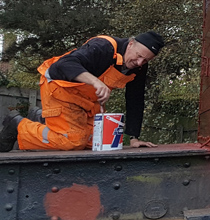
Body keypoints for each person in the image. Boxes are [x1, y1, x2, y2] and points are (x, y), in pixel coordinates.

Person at [0, 32, 165, 151]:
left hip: (85, 100)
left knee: (98, 141)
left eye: (145, 60)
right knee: (73, 142)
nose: (140, 62)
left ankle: (42, 118)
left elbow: (135, 99)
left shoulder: (139, 67)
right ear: (130, 44)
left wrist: (134, 138)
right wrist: (95, 81)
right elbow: (64, 64)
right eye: (139, 56)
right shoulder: (103, 47)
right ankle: (18, 125)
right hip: (60, 88)